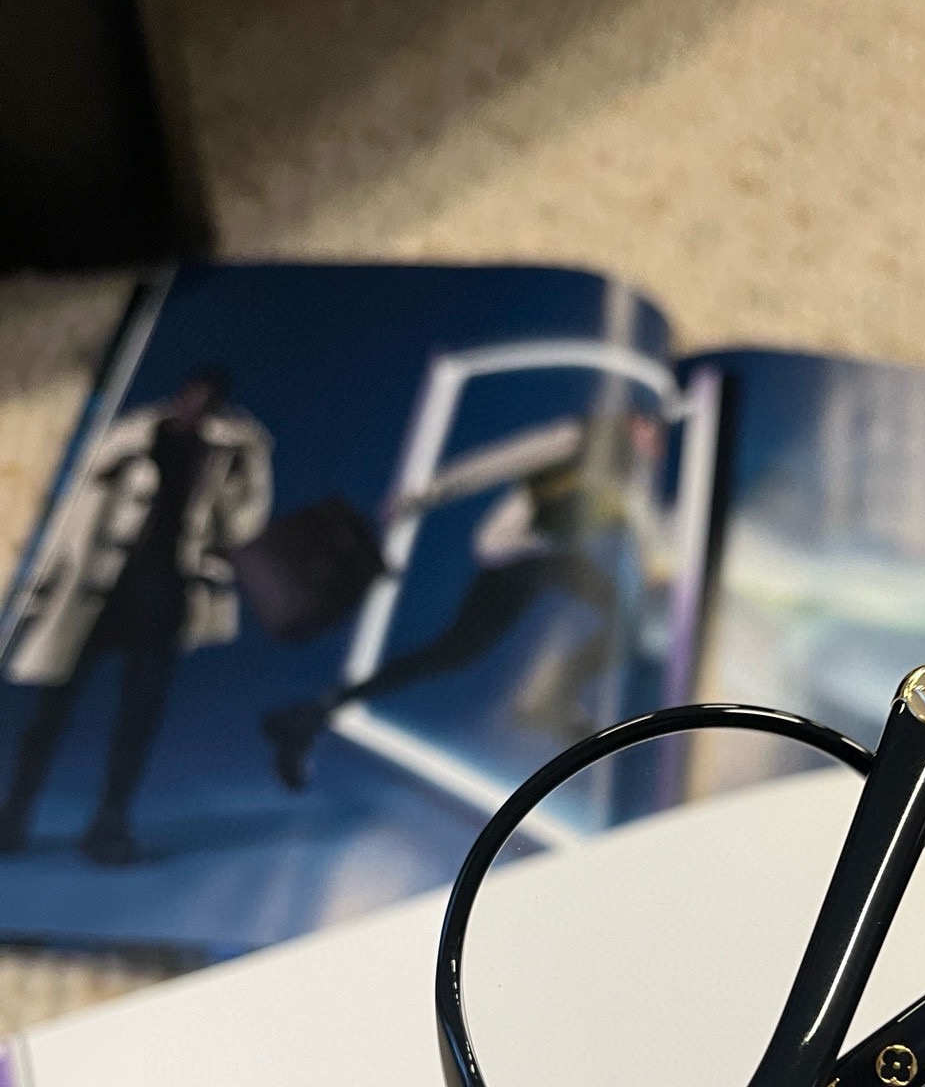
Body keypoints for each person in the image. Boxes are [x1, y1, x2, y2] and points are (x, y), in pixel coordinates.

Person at [262, 410, 660, 792]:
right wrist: (429, 493)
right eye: (648, 428)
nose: (653, 441)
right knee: (454, 652)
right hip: (513, 552)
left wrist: (656, 564)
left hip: (538, 560)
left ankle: (314, 712)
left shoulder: (629, 477)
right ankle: (550, 699)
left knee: (453, 654)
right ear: (629, 421)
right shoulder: (578, 439)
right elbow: (500, 461)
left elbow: (642, 524)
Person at [0, 370, 273, 864]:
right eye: (192, 396)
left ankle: (108, 826)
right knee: (48, 716)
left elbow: (243, 524)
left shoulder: (223, 453)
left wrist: (249, 456)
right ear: (180, 394)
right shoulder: (129, 436)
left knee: (137, 722)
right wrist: (46, 579)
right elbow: (74, 511)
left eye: (209, 402)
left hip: (163, 599)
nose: (196, 408)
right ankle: (13, 818)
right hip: (96, 593)